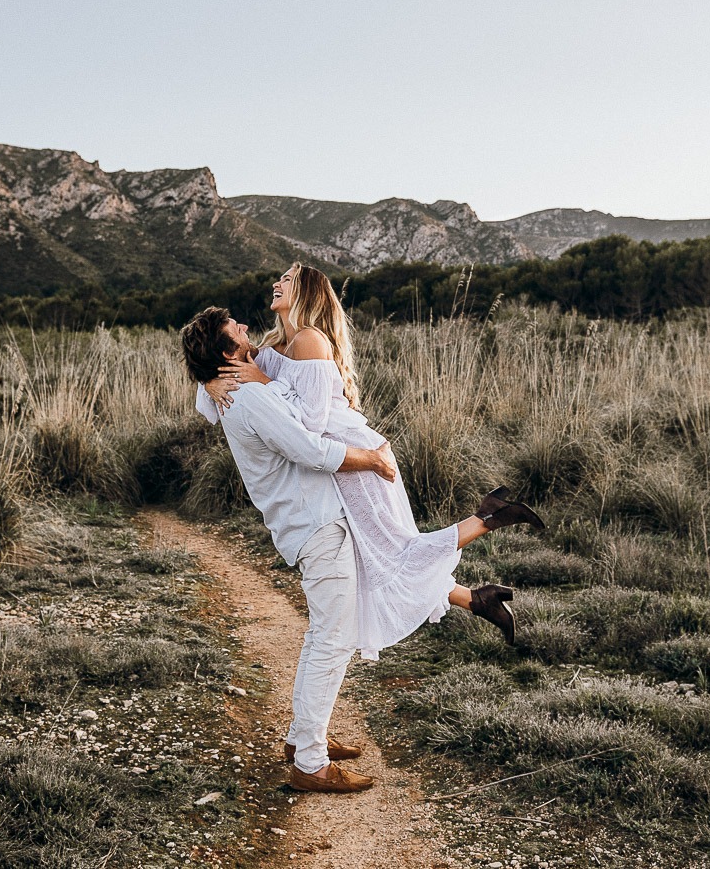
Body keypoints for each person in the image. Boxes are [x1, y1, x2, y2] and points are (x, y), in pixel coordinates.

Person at [197, 265, 542, 660]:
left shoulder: (310, 339)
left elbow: (311, 421)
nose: (276, 282)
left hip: (357, 458)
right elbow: (218, 373)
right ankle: (477, 598)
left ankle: (488, 519)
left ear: (307, 294)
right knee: (373, 555)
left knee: (389, 550)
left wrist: (261, 380)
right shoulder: (275, 345)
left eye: (288, 279)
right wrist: (210, 382)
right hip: (341, 462)